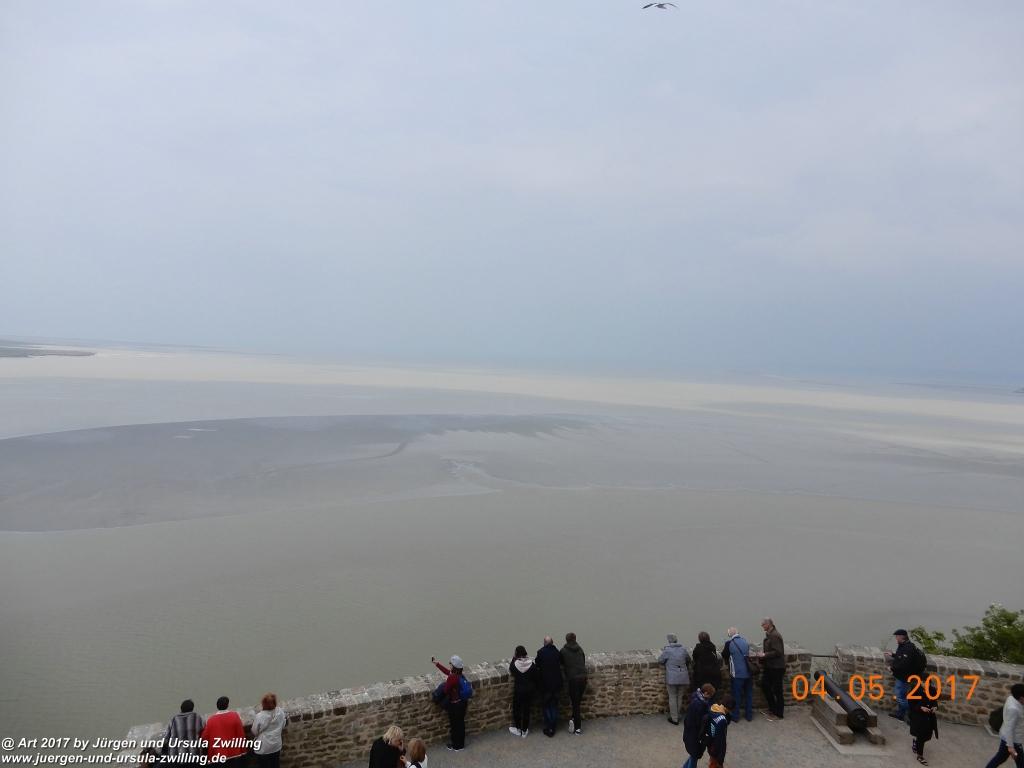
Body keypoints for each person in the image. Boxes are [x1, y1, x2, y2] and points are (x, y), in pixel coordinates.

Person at [884, 628, 927, 722]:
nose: (896, 638)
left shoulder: (908, 648)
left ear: (901, 637)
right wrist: (893, 655)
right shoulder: (905, 645)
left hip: (904, 677)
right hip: (903, 675)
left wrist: (891, 668)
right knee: (902, 696)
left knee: (900, 697)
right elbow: (902, 656)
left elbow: (903, 663)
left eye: (897, 636)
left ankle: (914, 712)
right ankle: (900, 714)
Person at [432, 655, 469, 751]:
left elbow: (446, 690)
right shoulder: (459, 675)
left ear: (454, 666)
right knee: (461, 725)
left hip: (455, 705)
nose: (449, 665)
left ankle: (456, 746)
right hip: (462, 703)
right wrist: (437, 664)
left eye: (451, 664)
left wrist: (442, 688)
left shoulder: (452, 678)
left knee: (455, 725)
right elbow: (447, 672)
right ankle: (461, 745)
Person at [985, 683, 1024, 768]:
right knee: (1021, 762)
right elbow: (1010, 728)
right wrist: (1011, 747)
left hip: (1007, 739)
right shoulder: (1014, 709)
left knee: (1000, 758)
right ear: (1021, 698)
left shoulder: (1011, 698)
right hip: (1014, 741)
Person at [200, 697, 247, 764]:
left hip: (219, 755)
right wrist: (243, 750)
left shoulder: (211, 720)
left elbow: (204, 738)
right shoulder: (235, 716)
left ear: (217, 706)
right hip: (235, 753)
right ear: (227, 705)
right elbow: (241, 734)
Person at [658, 633, 691, 725]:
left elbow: (660, 660)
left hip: (672, 678)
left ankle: (674, 718)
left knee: (672, 697)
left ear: (669, 641)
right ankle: (678, 715)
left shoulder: (667, 650)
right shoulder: (683, 649)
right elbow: (688, 660)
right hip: (683, 677)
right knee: (679, 697)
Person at [722, 627, 753, 723]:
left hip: (737, 674)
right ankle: (749, 716)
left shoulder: (729, 643)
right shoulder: (745, 641)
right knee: (748, 695)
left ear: (729, 635)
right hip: (748, 672)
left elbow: (724, 655)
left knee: (736, 696)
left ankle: (736, 716)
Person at [758, 617, 786, 719]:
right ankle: (773, 709)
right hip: (770, 666)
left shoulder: (775, 635)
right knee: (765, 685)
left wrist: (764, 655)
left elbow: (778, 652)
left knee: (777, 690)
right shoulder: (770, 635)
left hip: (777, 667)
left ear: (768, 624)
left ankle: (779, 713)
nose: (762, 626)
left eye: (763, 624)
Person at [535, 636, 563, 737]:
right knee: (554, 706)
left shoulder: (540, 652)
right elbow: (560, 662)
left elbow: (537, 663)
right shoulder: (557, 652)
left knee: (547, 706)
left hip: (546, 685)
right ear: (552, 642)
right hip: (556, 684)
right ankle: (553, 726)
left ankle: (549, 727)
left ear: (544, 643)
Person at [560, 632, 587, 735]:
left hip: (573, 680)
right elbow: (583, 661)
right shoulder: (580, 649)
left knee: (575, 705)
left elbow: (561, 664)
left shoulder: (563, 651)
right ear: (575, 639)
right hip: (583, 678)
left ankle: (578, 728)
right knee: (577, 702)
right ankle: (573, 718)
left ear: (566, 640)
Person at [682, 683, 715, 768]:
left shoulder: (695, 698)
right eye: (710, 696)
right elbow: (699, 722)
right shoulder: (700, 705)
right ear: (706, 693)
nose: (710, 698)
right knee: (694, 756)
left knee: (693, 755)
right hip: (694, 735)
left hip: (689, 733)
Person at [509, 645, 539, 737]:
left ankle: (518, 729)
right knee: (526, 710)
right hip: (529, 690)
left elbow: (511, 669)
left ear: (516, 654)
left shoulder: (515, 665)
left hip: (519, 690)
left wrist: (514, 658)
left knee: (517, 709)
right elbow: (536, 676)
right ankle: (524, 730)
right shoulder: (531, 665)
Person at [250, 693, 286, 768]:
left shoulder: (260, 716)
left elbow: (254, 731)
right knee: (275, 764)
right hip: (276, 745)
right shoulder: (280, 712)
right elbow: (283, 724)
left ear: (263, 704)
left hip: (263, 747)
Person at [907, 686, 938, 765]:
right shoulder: (915, 689)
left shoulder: (932, 689)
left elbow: (934, 700)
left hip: (929, 717)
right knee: (921, 735)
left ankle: (916, 743)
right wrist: (921, 708)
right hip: (918, 716)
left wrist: (935, 707)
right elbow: (911, 704)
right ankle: (920, 756)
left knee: (927, 736)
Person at [705, 694, 734, 768]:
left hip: (710, 742)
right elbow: (720, 741)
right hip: (715, 748)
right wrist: (721, 759)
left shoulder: (713, 708)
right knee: (715, 764)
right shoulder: (721, 720)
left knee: (712, 761)